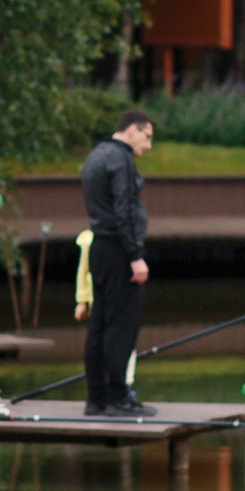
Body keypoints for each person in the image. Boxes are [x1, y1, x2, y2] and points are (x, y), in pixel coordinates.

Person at [79, 108, 155, 418]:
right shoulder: (120, 159)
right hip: (118, 251)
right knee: (122, 327)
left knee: (99, 325)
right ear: (132, 130)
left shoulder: (96, 155)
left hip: (99, 246)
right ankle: (119, 398)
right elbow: (123, 210)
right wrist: (135, 256)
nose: (148, 146)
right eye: (147, 137)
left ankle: (96, 399)